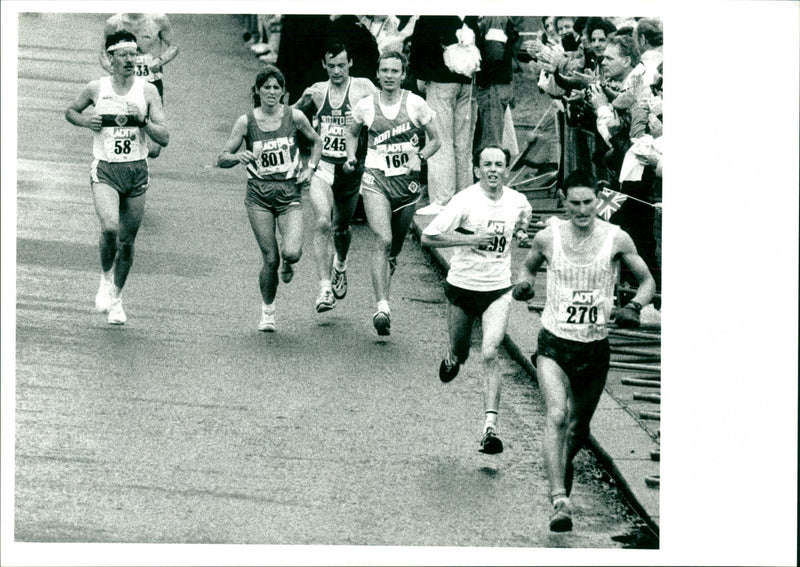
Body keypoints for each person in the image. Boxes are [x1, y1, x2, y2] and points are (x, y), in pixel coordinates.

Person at [514, 170, 655, 532]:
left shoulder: (616, 239)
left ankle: (559, 463)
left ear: (598, 200)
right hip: (554, 344)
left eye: (587, 202)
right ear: (563, 201)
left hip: (594, 349)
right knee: (557, 415)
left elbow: (647, 281)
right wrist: (525, 285)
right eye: (574, 203)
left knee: (578, 430)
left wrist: (635, 307)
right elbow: (527, 268)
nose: (581, 210)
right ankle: (560, 498)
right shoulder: (549, 237)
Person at [421, 146, 532, 454]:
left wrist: (521, 232)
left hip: (498, 288)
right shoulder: (465, 201)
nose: (493, 169)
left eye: (499, 164)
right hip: (462, 286)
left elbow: (524, 217)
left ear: (507, 170)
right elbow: (427, 237)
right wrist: (469, 239)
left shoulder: (517, 200)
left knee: (490, 352)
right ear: (477, 170)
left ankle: (490, 430)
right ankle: (452, 357)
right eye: (487, 164)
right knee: (461, 352)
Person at [66, 30, 169, 325]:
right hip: (106, 169)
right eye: (123, 54)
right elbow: (71, 111)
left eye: (133, 54)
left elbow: (165, 136)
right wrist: (87, 121)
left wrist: (144, 122)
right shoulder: (96, 88)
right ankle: (104, 277)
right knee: (110, 229)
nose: (129, 59)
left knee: (127, 242)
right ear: (110, 58)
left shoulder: (148, 91)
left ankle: (117, 298)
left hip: (136, 171)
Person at [217, 65, 322, 332]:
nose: (272, 92)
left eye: (277, 88)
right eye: (267, 87)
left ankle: (290, 263)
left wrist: (310, 169)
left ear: (284, 92)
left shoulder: (295, 117)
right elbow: (222, 158)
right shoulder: (246, 122)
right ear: (258, 91)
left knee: (292, 252)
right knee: (270, 258)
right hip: (259, 196)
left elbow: (316, 142)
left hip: (289, 194)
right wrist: (237, 156)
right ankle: (268, 311)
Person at [343, 50, 441, 336]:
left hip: (407, 187)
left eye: (394, 71)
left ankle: (387, 271)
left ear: (402, 74)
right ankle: (382, 307)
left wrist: (419, 157)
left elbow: (436, 140)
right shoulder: (366, 105)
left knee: (393, 247)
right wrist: (351, 156)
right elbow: (352, 132)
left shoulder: (415, 104)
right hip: (375, 180)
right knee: (382, 239)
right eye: (384, 70)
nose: (388, 76)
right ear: (378, 73)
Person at [292, 42, 378, 312]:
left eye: (342, 65)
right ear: (324, 65)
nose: (337, 71)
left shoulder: (364, 88)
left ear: (350, 63)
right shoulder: (317, 92)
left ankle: (340, 264)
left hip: (351, 170)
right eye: (331, 66)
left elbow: (385, 113)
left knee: (342, 228)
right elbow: (290, 117)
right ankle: (324, 289)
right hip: (324, 166)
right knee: (321, 222)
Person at [410, 16, 480, 215]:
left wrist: (420, 74)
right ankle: (464, 197)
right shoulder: (470, 15)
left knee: (440, 141)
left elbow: (420, 45)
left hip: (440, 79)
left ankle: (442, 200)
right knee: (463, 143)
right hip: (467, 82)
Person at [100, 13, 179, 159]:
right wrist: (110, 68)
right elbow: (104, 53)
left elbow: (174, 46)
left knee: (154, 150)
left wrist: (160, 60)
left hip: (151, 83)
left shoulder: (158, 19)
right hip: (123, 85)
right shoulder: (113, 23)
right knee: (123, 135)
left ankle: (137, 154)